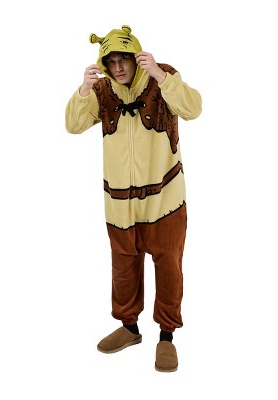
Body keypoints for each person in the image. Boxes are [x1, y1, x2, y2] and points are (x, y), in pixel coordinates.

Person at [65, 25, 202, 372]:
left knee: (168, 267)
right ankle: (129, 327)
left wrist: (160, 74)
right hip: (120, 205)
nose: (118, 68)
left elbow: (193, 108)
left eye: (123, 60)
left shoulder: (162, 78)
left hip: (164, 202)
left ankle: (167, 335)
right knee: (123, 267)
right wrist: (83, 90)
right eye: (111, 62)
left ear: (135, 57)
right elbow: (73, 125)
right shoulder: (101, 91)